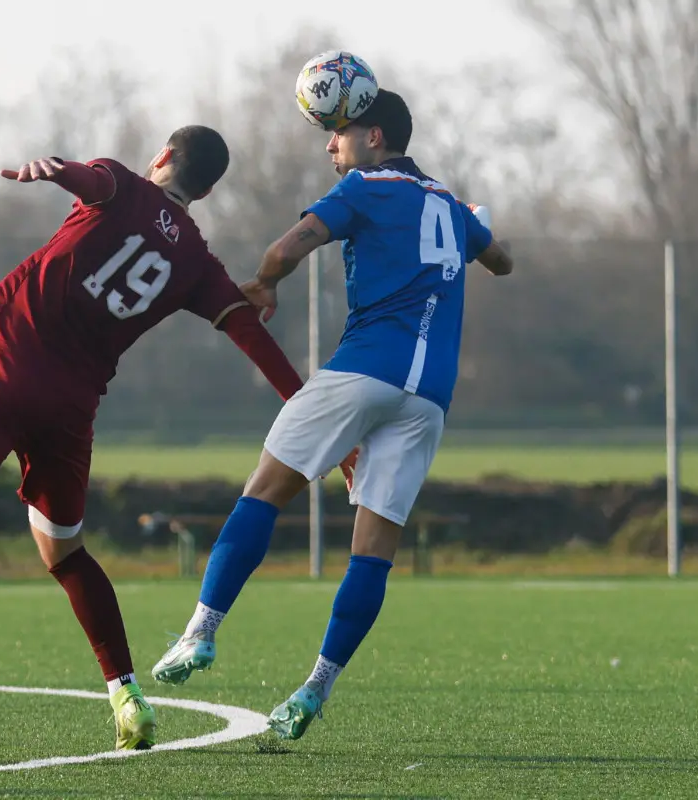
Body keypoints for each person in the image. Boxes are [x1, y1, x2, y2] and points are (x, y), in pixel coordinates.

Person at [0, 126, 315, 750]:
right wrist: (312, 413)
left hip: (8, 369)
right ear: (207, 191)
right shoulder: (198, 264)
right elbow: (252, 337)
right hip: (71, 407)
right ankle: (126, 694)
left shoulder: (123, 184)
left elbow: (93, 180)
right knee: (65, 553)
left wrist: (55, 170)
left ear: (162, 157)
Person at [152, 89, 514, 740]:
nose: (330, 144)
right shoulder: (451, 205)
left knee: (264, 492)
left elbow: (289, 247)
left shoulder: (364, 188)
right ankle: (316, 688)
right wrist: (475, 227)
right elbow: (503, 262)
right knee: (373, 553)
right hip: (429, 397)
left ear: (374, 137)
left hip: (363, 370)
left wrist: (265, 282)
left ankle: (200, 631)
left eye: (340, 132)